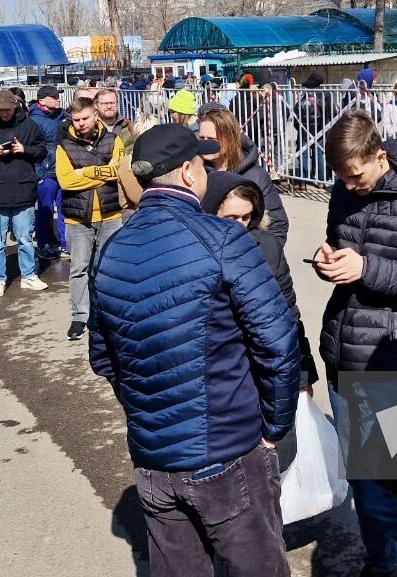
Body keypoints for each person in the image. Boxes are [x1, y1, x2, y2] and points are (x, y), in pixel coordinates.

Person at [88, 124, 300, 577]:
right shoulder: (224, 240)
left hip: (153, 461)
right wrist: (273, 430)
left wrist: (151, 414)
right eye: (203, 164)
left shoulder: (111, 249)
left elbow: (103, 357)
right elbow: (279, 344)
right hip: (227, 451)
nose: (207, 172)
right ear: (187, 173)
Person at [313, 110, 397, 577]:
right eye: (341, 179)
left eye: (356, 176)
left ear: (381, 156)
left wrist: (367, 270)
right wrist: (326, 259)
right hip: (343, 350)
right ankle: (379, 563)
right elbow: (338, 243)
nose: (349, 186)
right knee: (361, 477)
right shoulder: (344, 190)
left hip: (395, 359)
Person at [202, 171, 319, 428]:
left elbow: (289, 313)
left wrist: (302, 376)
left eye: (246, 217)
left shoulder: (267, 247)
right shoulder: (194, 254)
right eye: (231, 217)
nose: (240, 225)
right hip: (219, 377)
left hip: (263, 368)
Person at [56, 96, 125, 341]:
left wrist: (85, 172)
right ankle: (79, 316)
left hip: (110, 213)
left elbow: (119, 171)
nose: (81, 123)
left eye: (85, 118)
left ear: (95, 115)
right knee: (79, 269)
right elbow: (66, 181)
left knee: (108, 267)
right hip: (78, 218)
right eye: (76, 120)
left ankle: (108, 312)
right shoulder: (64, 146)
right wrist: (103, 174)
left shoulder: (113, 140)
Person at [0, 90, 49, 298]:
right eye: (1, 110)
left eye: (8, 109)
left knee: (25, 238)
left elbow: (41, 151)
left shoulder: (29, 125)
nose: (5, 113)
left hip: (23, 188)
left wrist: (25, 149)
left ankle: (29, 275)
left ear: (15, 106)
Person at [196, 106, 290, 243]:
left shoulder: (256, 175)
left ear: (230, 139)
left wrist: (261, 256)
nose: (205, 144)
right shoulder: (195, 172)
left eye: (211, 139)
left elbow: (277, 226)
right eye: (201, 138)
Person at [28, 85, 66, 260]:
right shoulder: (34, 120)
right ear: (42, 101)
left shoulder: (61, 116)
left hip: (63, 169)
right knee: (45, 210)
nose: (58, 98)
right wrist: (39, 174)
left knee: (65, 208)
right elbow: (31, 149)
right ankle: (43, 245)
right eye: (53, 96)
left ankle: (66, 244)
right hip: (46, 171)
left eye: (58, 95)